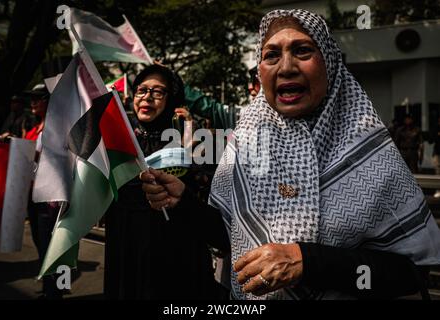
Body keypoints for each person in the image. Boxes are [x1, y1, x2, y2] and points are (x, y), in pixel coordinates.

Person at [141, 9, 440, 300]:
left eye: (302, 51)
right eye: (271, 55)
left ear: (330, 64)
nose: (286, 67)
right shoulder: (244, 145)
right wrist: (184, 205)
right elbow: (233, 236)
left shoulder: (372, 155)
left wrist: (307, 262)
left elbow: (408, 274)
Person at [104, 64, 228, 300]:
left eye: (158, 92)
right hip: (126, 257)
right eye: (141, 90)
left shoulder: (195, 146)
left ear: (173, 101)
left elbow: (214, 219)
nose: (147, 97)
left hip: (176, 266)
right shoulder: (120, 145)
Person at [24, 83, 63, 299]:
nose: (33, 102)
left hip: (50, 195)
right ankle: (50, 288)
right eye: (32, 98)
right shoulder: (33, 127)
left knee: (51, 245)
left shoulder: (56, 127)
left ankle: (54, 291)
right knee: (40, 242)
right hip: (32, 193)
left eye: (38, 98)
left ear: (49, 101)